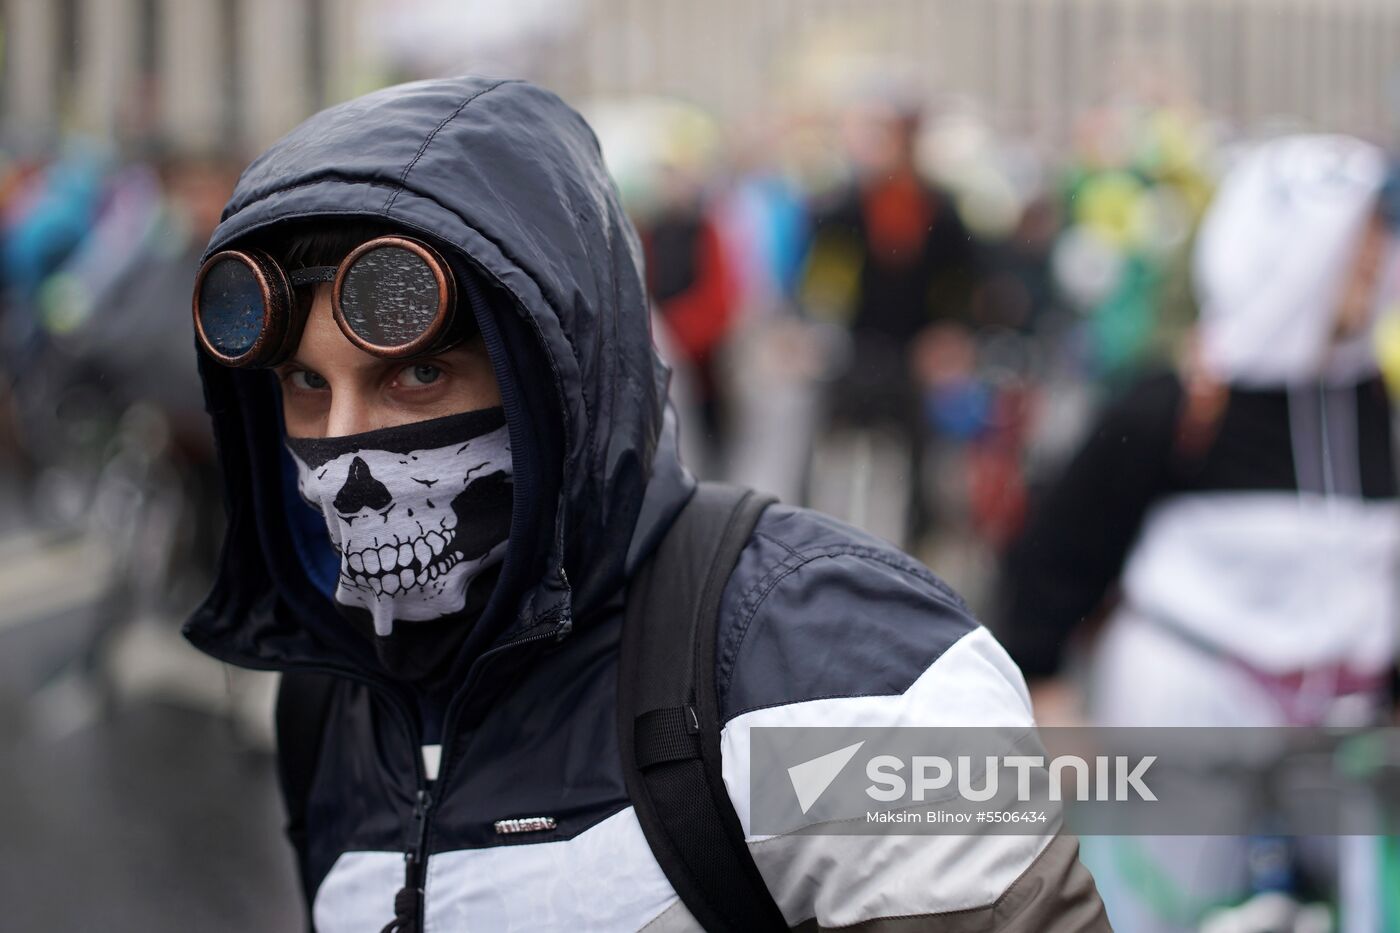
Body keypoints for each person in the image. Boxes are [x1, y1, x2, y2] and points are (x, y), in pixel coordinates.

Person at [183, 75, 1106, 932]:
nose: (346, 449)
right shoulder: (331, 700)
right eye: (305, 384)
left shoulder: (842, 673)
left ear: (555, 374)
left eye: (418, 373)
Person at [998, 134, 1400, 930]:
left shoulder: (1375, 408)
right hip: (1188, 726)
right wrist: (1046, 689)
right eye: (1354, 242)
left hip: (1340, 749)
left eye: (1378, 242)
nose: (1374, 263)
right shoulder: (1178, 403)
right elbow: (1052, 553)